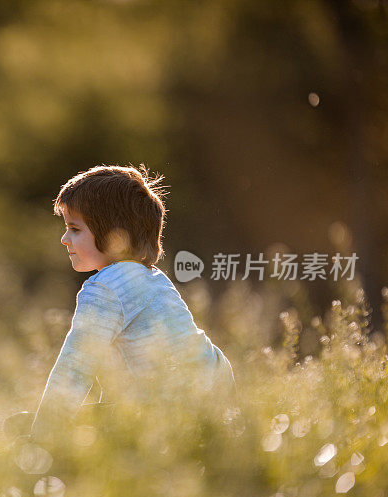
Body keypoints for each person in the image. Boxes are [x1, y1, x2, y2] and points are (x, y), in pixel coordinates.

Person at [27, 165, 235, 441]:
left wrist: (40, 440)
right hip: (216, 385)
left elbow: (74, 369)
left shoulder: (104, 288)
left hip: (172, 413)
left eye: (74, 229)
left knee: (36, 430)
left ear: (114, 235)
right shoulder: (153, 278)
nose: (64, 239)